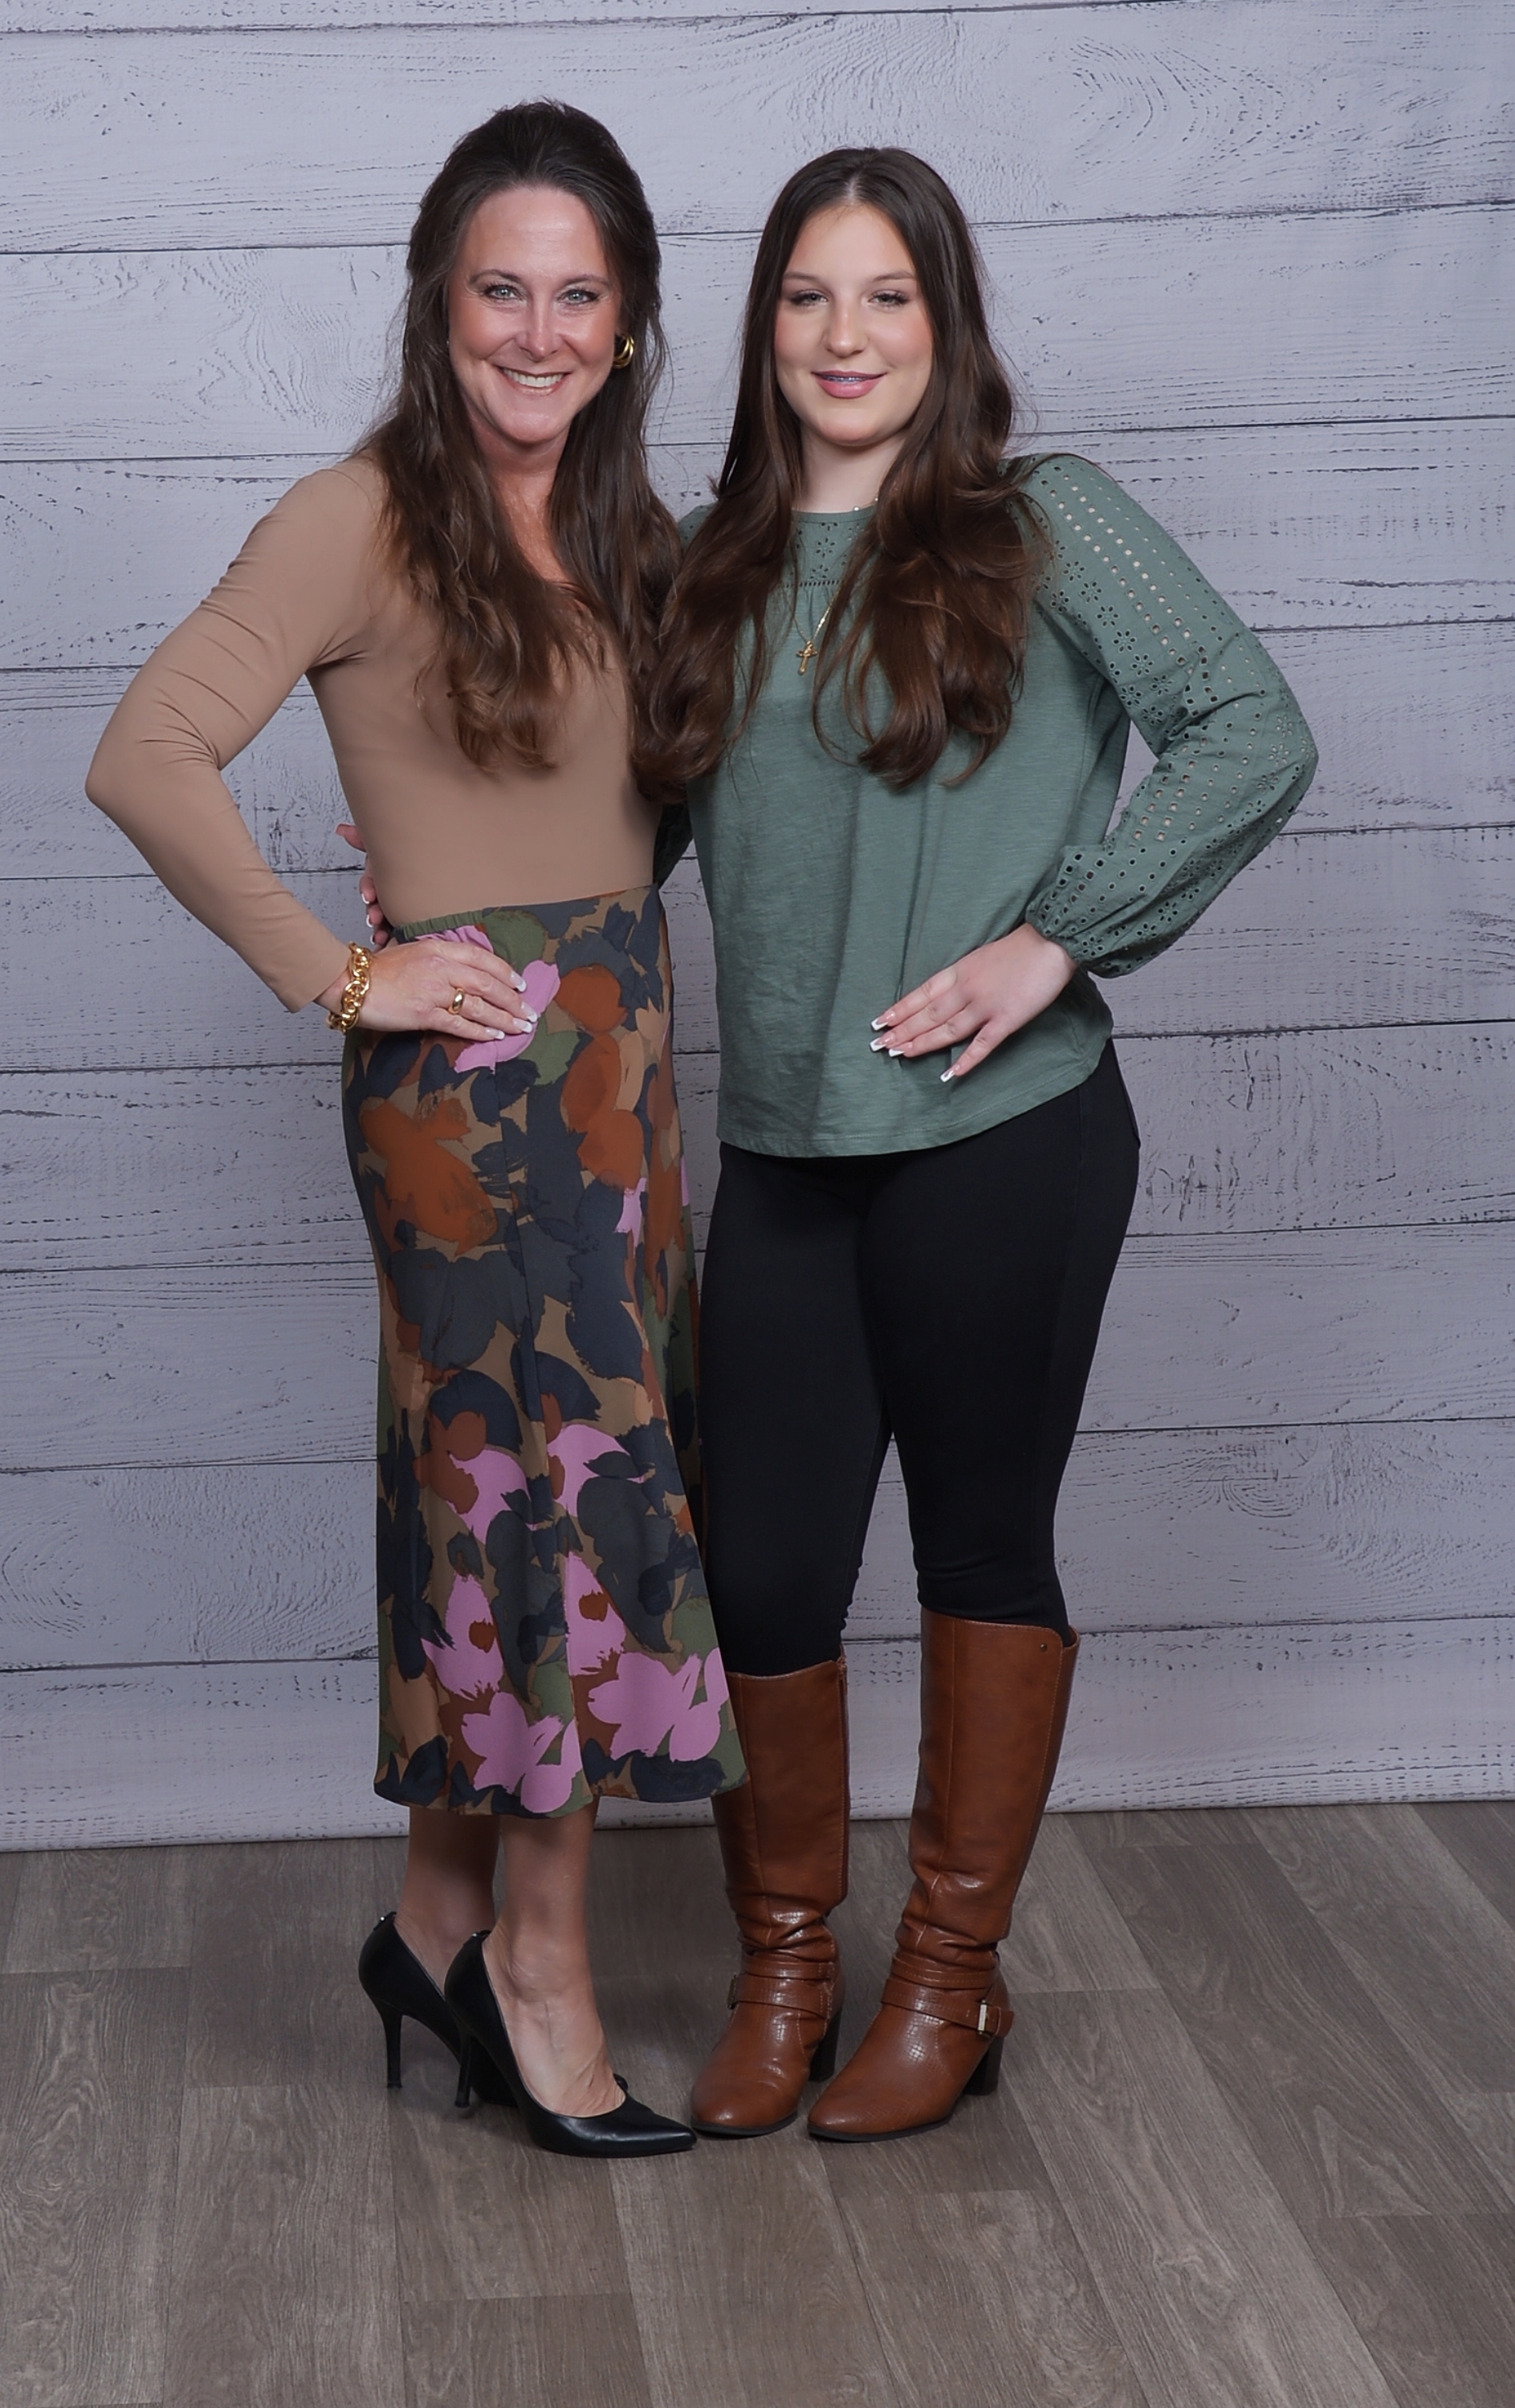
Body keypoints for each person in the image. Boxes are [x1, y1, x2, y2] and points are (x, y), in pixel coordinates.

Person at [85, 103, 741, 2159]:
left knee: (519, 1496)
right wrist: (343, 967)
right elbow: (147, 750)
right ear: (435, 307)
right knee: (556, 1510)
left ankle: (435, 1926)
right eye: (498, 291)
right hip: (475, 1094)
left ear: (628, 323)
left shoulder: (639, 533)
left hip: (621, 1070)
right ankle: (540, 1983)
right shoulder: (357, 516)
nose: (536, 332)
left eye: (577, 294)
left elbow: (647, 813)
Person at [645, 148, 1317, 2141]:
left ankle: (949, 1977)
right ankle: (787, 1964)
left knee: (979, 1550)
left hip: (1002, 1141)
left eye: (889, 297)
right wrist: (449, 878)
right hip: (790, 1151)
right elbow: (625, 828)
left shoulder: (1045, 525)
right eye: (807, 297)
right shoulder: (703, 562)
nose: (845, 337)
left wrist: (1063, 938)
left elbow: (1250, 729)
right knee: (763, 1575)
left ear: (947, 326)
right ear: (763, 328)